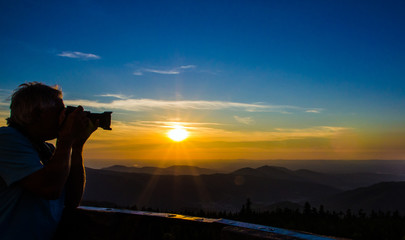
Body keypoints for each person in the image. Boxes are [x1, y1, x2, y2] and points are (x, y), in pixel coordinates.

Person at [0, 82, 98, 239]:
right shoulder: (5, 139)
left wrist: (77, 147)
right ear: (37, 114)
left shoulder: (47, 150)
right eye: (60, 111)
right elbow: (49, 188)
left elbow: (71, 200)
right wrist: (66, 140)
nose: (64, 117)